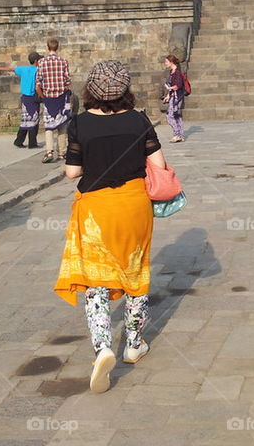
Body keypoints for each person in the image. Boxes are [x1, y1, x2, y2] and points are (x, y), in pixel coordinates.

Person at [54, 60, 166, 393]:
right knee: (135, 271)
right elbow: (157, 164)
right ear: (124, 89)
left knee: (95, 282)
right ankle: (134, 343)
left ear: (91, 89)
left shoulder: (80, 124)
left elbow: (72, 172)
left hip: (95, 209)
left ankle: (103, 347)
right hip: (134, 205)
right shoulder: (139, 120)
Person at [35, 38, 73, 163]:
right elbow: (67, 81)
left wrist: (42, 96)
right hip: (61, 97)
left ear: (48, 47)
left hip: (48, 97)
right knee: (62, 125)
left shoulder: (42, 62)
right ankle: (62, 152)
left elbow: (38, 82)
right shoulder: (63, 61)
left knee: (49, 126)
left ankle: (49, 151)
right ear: (57, 48)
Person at [0, 51, 41, 149]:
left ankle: (19, 141)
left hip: (24, 97)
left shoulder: (23, 69)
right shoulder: (38, 70)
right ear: (36, 61)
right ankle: (32, 143)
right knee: (34, 120)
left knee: (25, 120)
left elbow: (11, 69)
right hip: (33, 97)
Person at [162, 55, 186, 143]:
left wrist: (170, 88)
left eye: (166, 62)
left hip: (177, 97)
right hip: (174, 96)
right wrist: (168, 95)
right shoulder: (172, 72)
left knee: (170, 116)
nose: (165, 64)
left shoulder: (177, 73)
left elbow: (178, 85)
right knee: (177, 115)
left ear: (171, 62)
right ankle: (180, 135)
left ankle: (177, 134)